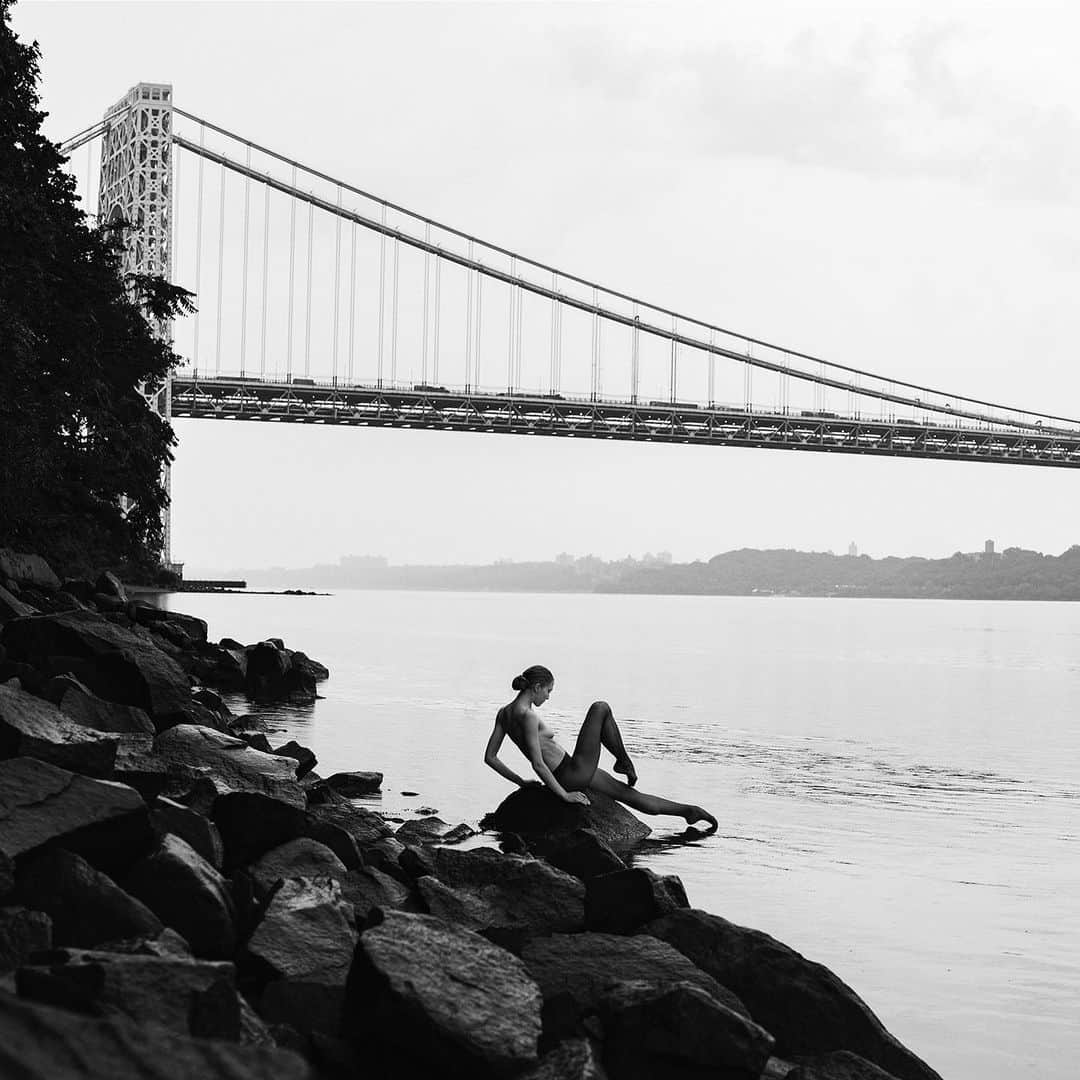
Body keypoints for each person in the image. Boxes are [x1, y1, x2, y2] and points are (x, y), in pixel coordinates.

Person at [484, 664, 718, 831]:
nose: (548, 697)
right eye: (548, 691)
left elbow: (491, 758)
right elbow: (537, 763)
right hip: (570, 774)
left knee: (628, 794)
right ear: (536, 687)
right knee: (600, 707)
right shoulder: (528, 717)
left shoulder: (504, 713)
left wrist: (521, 783)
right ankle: (624, 761)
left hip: (571, 771)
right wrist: (564, 795)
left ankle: (688, 811)